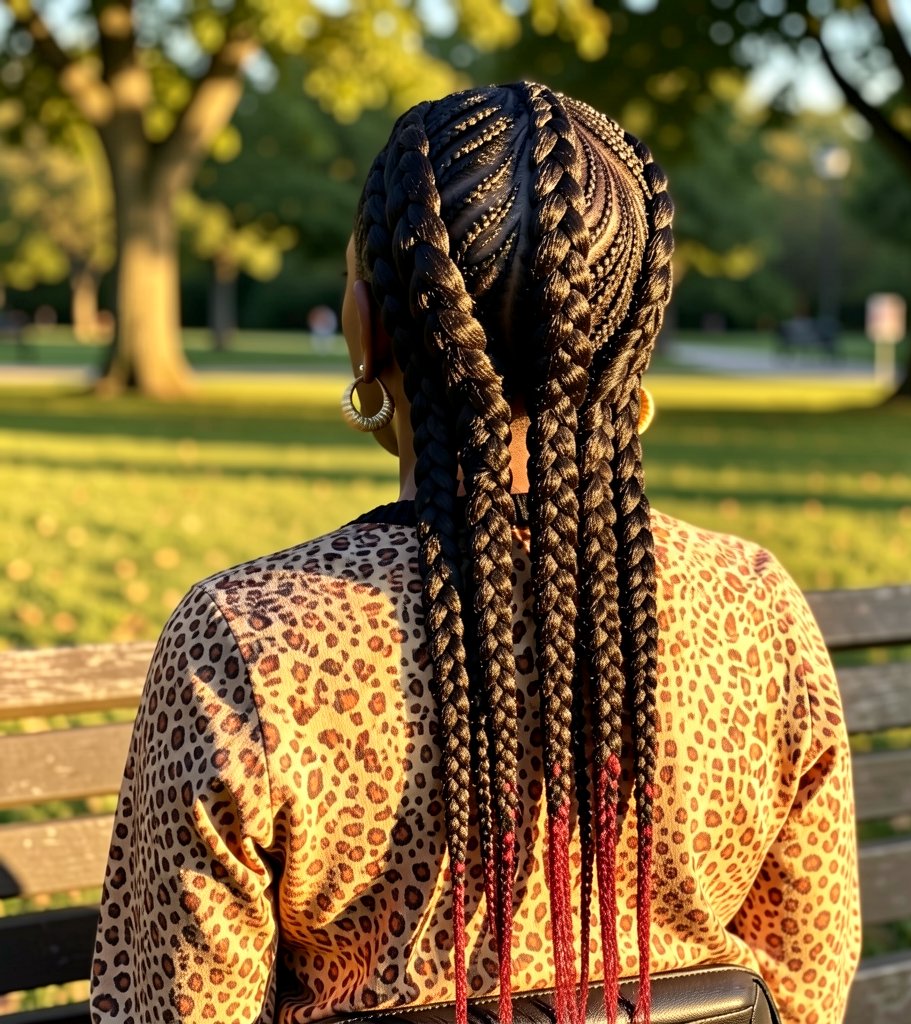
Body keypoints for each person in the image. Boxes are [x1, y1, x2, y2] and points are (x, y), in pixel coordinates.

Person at [90, 83, 860, 1024]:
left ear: (368, 330)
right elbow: (806, 986)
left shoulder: (248, 645)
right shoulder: (755, 611)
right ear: (633, 347)